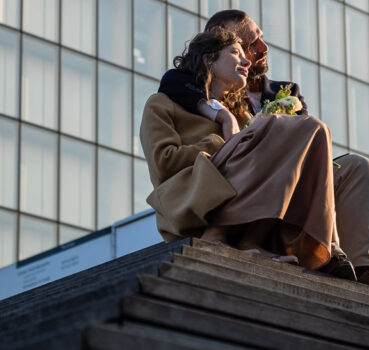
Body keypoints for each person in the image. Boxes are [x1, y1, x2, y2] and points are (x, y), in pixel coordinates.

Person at [158, 9, 369, 296]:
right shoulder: (210, 92)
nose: (261, 50)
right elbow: (175, 82)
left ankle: (362, 269)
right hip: (240, 181)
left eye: (260, 41)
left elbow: (304, 139)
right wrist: (226, 124)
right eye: (247, 45)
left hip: (287, 175)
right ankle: (329, 252)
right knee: (297, 130)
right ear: (215, 51)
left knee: (356, 166)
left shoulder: (281, 90)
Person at [140, 26, 342, 271]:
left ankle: (253, 240)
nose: (247, 60)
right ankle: (218, 235)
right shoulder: (162, 104)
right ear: (209, 60)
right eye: (235, 52)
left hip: (235, 189)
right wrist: (221, 143)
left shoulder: (240, 112)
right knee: (288, 128)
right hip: (191, 197)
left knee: (315, 131)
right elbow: (163, 162)